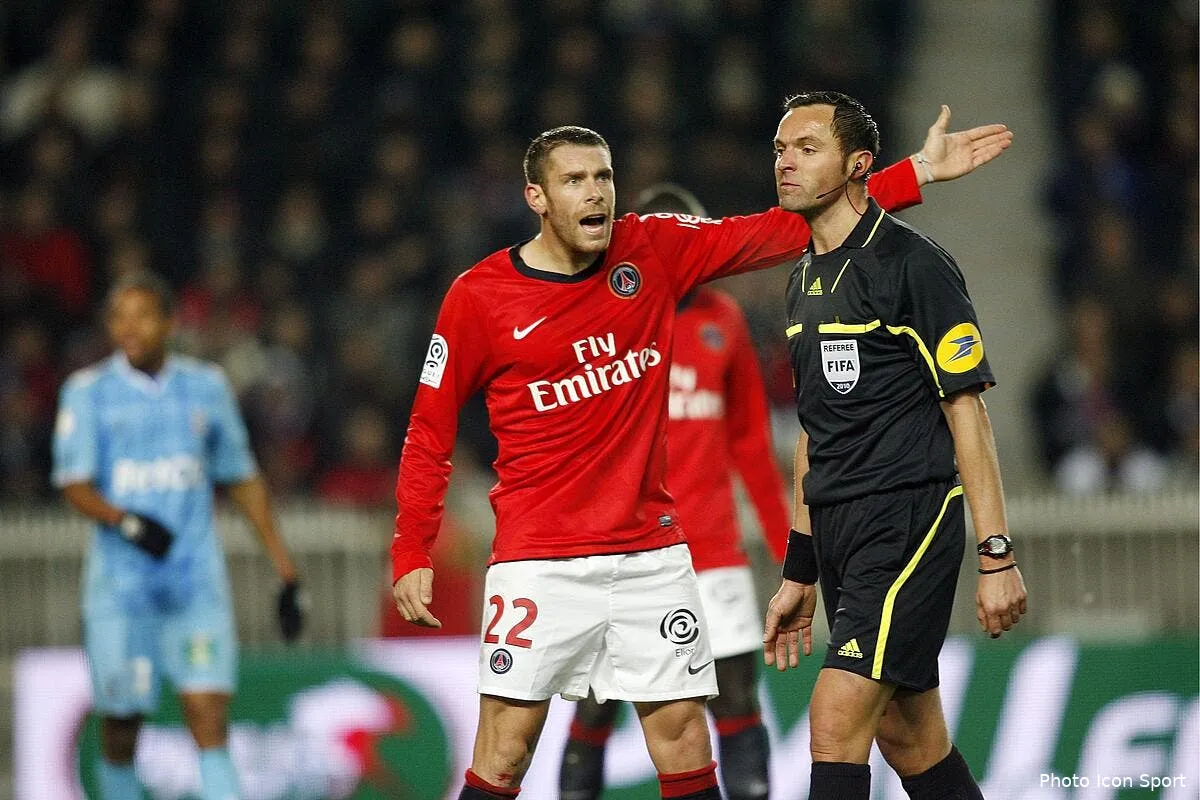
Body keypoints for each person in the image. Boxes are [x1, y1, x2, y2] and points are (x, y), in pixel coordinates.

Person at [391, 109, 1012, 800]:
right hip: (539, 557)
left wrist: (916, 173)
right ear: (536, 197)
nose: (595, 193)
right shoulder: (479, 297)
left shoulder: (651, 249)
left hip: (650, 555)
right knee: (506, 750)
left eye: (603, 177)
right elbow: (428, 431)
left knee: (686, 737)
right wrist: (412, 548)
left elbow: (778, 229)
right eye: (574, 181)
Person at [760, 91, 1028, 800]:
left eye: (807, 148)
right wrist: (800, 570)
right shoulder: (801, 279)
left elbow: (967, 411)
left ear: (859, 164)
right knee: (910, 739)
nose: (786, 162)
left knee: (834, 721)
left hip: (906, 519)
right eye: (781, 149)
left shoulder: (913, 265)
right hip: (839, 532)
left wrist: (997, 554)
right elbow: (815, 433)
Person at [557, 183, 789, 800]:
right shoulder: (603, 314)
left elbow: (751, 445)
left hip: (711, 550)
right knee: (598, 704)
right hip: (620, 551)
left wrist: (789, 548)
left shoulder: (724, 321)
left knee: (736, 699)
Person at [51, 271, 304, 799]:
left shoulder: (206, 387)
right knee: (123, 724)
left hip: (194, 584)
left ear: (169, 322)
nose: (129, 328)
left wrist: (283, 566)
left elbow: (241, 477)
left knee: (208, 712)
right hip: (122, 590)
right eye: (119, 318)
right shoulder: (88, 392)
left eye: (142, 316)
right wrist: (124, 521)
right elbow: (73, 484)